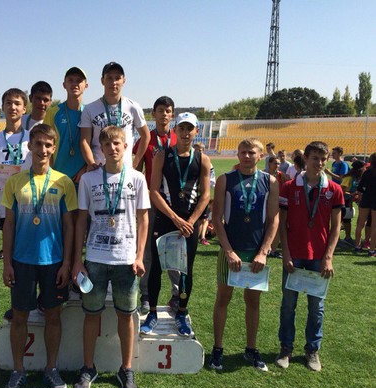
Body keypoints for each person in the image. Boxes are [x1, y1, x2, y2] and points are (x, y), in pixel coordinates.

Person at [72, 126, 149, 388]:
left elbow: (143, 219)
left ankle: (126, 369)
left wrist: (139, 256)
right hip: (94, 258)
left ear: (126, 146)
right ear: (101, 149)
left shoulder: (137, 178)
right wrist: (78, 260)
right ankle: (88, 367)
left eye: (117, 143)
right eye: (107, 144)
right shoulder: (88, 179)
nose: (113, 148)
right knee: (91, 315)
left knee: (126, 316)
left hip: (126, 260)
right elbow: (81, 221)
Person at [1, 124, 76, 388]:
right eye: (38, 144)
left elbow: (69, 226)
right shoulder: (14, 182)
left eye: (47, 145)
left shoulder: (64, 182)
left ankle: (51, 368)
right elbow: (9, 225)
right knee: (19, 316)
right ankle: (18, 370)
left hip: (53, 261)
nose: (42, 149)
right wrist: (7, 262)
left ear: (53, 148)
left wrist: (67, 263)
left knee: (53, 316)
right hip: (22, 260)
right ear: (29, 147)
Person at [208, 138, 279, 372]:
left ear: (260, 156)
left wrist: (264, 252)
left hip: (255, 252)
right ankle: (217, 349)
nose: (247, 156)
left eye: (251, 152)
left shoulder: (270, 182)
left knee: (253, 301)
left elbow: (274, 219)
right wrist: (228, 251)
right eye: (243, 152)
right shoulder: (225, 180)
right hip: (230, 251)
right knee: (223, 299)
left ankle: (251, 348)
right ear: (237, 155)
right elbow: (217, 218)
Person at [141, 112, 211, 337]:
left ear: (196, 131)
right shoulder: (162, 155)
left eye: (190, 128)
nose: (185, 133)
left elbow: (205, 195)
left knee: (185, 270)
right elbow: (154, 191)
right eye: (182, 128)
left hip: (189, 224)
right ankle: (152, 312)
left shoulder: (203, 159)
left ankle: (181, 312)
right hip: (165, 219)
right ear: (175, 130)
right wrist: (175, 218)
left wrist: (190, 221)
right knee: (156, 268)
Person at [276, 141, 344, 372]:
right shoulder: (289, 187)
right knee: (288, 305)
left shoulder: (334, 189)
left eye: (323, 159)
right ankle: (286, 348)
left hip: (319, 258)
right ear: (305, 159)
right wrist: (285, 253)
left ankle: (312, 350)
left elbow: (336, 228)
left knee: (316, 307)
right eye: (315, 158)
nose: (320, 163)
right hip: (294, 255)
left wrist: (329, 257)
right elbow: (282, 224)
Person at [131, 96, 180, 314]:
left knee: (174, 248)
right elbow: (136, 169)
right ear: (154, 114)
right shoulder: (146, 139)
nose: (164, 114)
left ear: (172, 114)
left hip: (174, 203)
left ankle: (177, 294)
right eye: (160, 110)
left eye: (168, 111)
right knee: (148, 248)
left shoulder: (179, 139)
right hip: (150, 201)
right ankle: (145, 295)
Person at [0, 88, 32, 261]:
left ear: (24, 108)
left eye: (17, 103)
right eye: (9, 103)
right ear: (3, 107)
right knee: (10, 258)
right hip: (3, 207)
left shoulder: (31, 137)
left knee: (27, 256)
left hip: (29, 206)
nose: (13, 107)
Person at [79, 61, 150, 172]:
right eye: (109, 78)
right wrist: (91, 164)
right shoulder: (90, 109)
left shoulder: (133, 107)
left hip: (124, 170)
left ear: (124, 81)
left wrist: (135, 162)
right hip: (98, 169)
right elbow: (84, 141)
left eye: (117, 78)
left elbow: (146, 136)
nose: (113, 82)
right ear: (102, 81)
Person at [44, 67, 88, 183]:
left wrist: (86, 167)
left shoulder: (90, 112)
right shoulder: (53, 113)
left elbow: (94, 145)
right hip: (57, 178)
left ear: (86, 85)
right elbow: (46, 145)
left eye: (79, 80)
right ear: (64, 85)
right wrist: (50, 174)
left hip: (82, 178)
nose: (75, 84)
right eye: (70, 80)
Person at [354, 153, 376, 256]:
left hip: (366, 199)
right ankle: (371, 250)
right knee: (374, 226)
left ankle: (357, 246)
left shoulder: (367, 172)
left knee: (360, 223)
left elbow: (360, 188)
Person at [340, 160, 365, 246]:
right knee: (342, 219)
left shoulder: (357, 177)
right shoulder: (349, 178)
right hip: (342, 200)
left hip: (349, 200)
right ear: (359, 169)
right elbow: (341, 191)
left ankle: (348, 238)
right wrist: (352, 194)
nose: (364, 169)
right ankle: (337, 239)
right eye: (363, 168)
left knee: (347, 219)